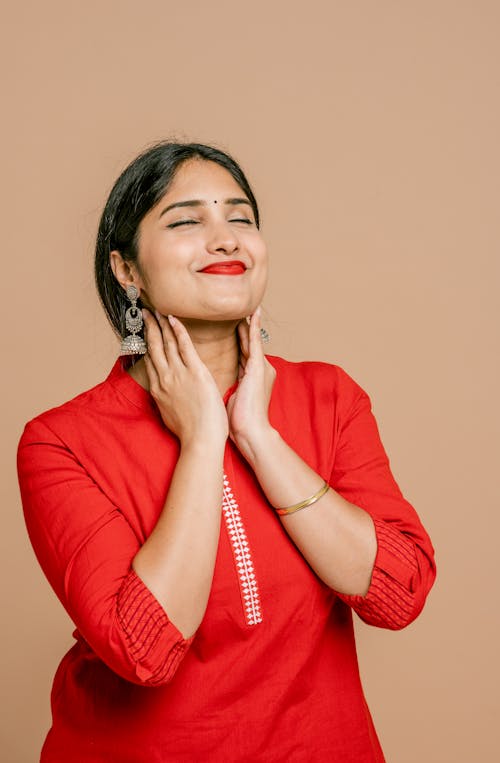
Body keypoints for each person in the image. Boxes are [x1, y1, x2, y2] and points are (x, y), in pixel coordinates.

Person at [17, 141, 436, 762]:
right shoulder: (62, 441)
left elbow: (397, 592)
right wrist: (202, 438)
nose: (225, 239)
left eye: (240, 218)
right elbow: (146, 652)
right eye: (186, 220)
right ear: (126, 269)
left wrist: (259, 438)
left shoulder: (330, 397)